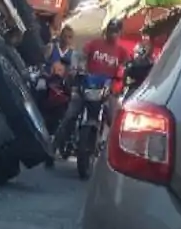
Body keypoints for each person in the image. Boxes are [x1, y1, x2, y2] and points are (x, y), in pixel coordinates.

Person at [50, 18, 131, 158]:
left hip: (106, 90)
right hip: (86, 85)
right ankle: (52, 148)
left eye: (116, 32)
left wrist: (123, 79)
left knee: (115, 120)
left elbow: (128, 67)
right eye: (111, 31)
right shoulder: (95, 44)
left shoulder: (122, 52)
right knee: (70, 115)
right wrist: (76, 68)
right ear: (107, 31)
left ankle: (110, 155)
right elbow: (78, 55)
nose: (113, 34)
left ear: (120, 33)